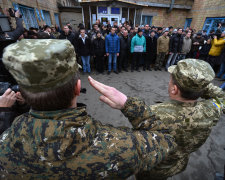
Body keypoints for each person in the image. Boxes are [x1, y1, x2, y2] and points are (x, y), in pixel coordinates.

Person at [0, 39, 176, 178]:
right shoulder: (118, 147)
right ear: (78, 87)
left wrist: (7, 111)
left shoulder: (4, 143)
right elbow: (166, 139)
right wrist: (128, 104)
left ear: (21, 91)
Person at [136, 59, 225, 180]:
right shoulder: (211, 110)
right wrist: (198, 86)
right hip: (177, 164)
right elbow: (222, 97)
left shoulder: (153, 114)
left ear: (174, 89)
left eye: (170, 80)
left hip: (153, 168)